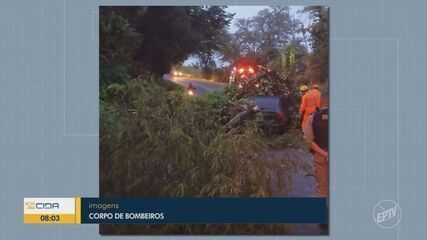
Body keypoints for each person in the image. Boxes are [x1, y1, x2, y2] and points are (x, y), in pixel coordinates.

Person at [304, 92, 329, 198]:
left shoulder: (312, 118)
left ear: (319, 102)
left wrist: (325, 154)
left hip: (321, 156)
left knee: (322, 190)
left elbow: (309, 141)